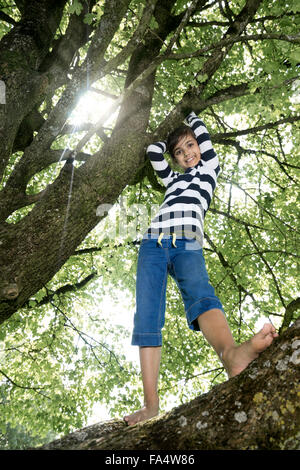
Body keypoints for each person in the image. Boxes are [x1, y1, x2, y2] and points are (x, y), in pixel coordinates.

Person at [124, 111, 278, 426]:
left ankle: (231, 356)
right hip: (153, 242)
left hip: (187, 241)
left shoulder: (209, 169)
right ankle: (150, 405)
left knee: (200, 294)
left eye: (190, 146)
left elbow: (203, 136)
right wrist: (165, 138)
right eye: (179, 152)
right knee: (147, 313)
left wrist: (189, 114)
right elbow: (154, 152)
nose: (187, 154)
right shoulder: (172, 180)